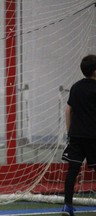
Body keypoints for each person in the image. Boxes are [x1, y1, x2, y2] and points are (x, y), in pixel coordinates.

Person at [61, 54, 96, 216]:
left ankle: (67, 205)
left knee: (72, 171)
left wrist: (69, 132)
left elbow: (68, 109)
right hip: (93, 137)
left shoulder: (75, 87)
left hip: (75, 136)